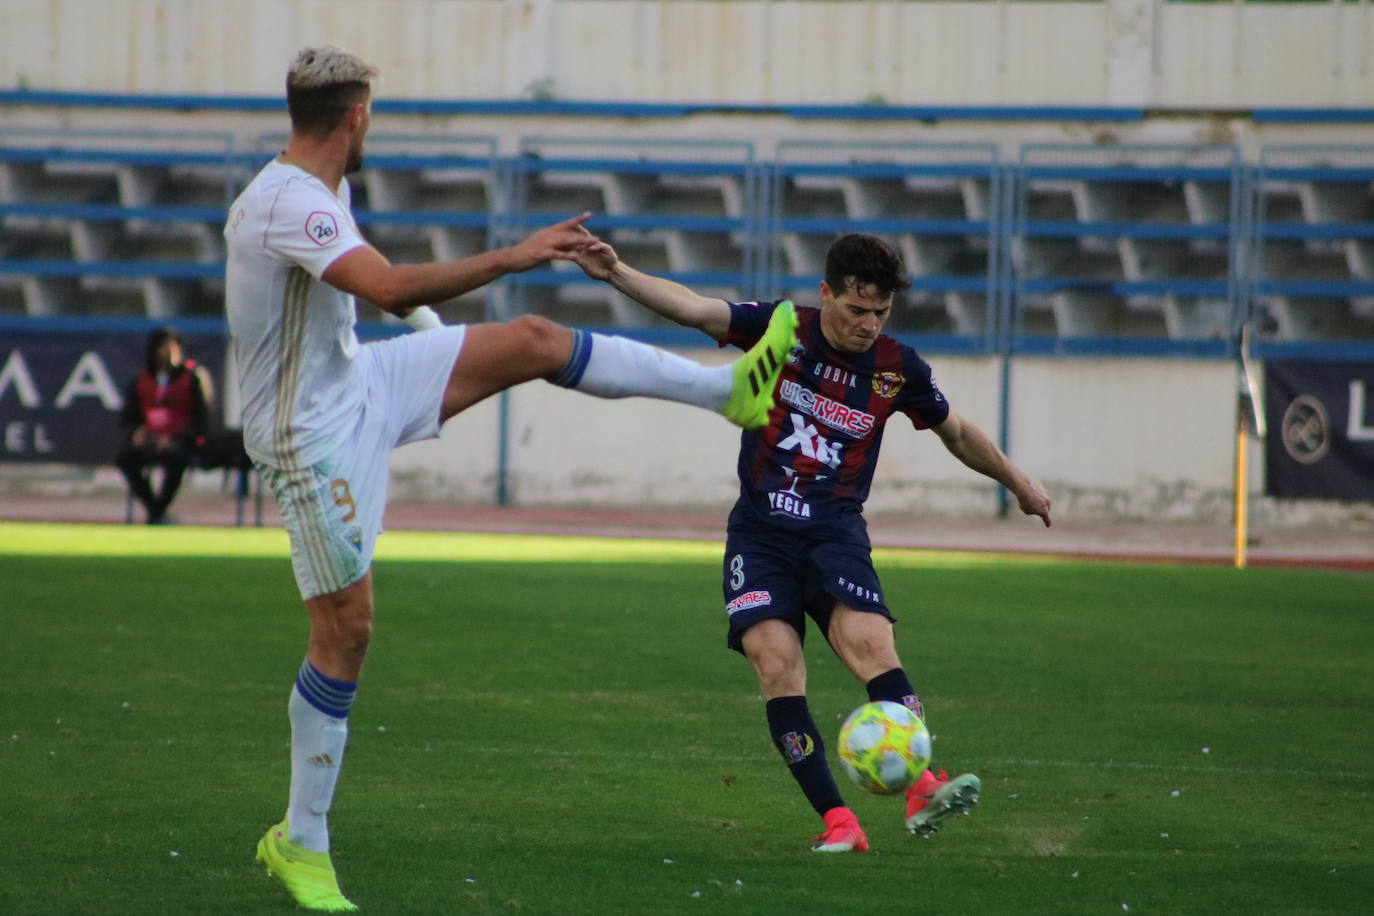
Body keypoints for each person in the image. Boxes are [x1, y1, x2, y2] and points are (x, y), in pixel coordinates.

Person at [227, 46, 797, 912]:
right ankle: (301, 842)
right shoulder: (290, 203)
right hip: (308, 437)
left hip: (357, 380)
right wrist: (516, 252)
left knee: (530, 338)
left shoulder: (319, 187)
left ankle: (730, 391)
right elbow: (381, 283)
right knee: (348, 632)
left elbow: (354, 297)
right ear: (357, 118)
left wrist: (435, 335)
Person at [573, 232, 1052, 853]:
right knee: (775, 664)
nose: (867, 323)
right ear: (826, 293)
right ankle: (838, 820)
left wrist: (1017, 481)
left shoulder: (896, 368)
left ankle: (921, 786)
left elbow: (955, 432)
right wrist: (616, 273)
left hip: (834, 533)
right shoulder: (780, 329)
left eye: (880, 312)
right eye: (856, 309)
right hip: (760, 533)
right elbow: (694, 308)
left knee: (872, 644)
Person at [115, 326, 213, 524]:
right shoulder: (141, 379)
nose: (170, 352)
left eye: (174, 347)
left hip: (179, 440)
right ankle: (155, 509)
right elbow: (129, 417)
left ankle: (158, 510)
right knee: (125, 459)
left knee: (177, 459)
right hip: (150, 439)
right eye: (165, 347)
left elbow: (201, 419)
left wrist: (176, 438)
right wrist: (136, 433)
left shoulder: (192, 377)